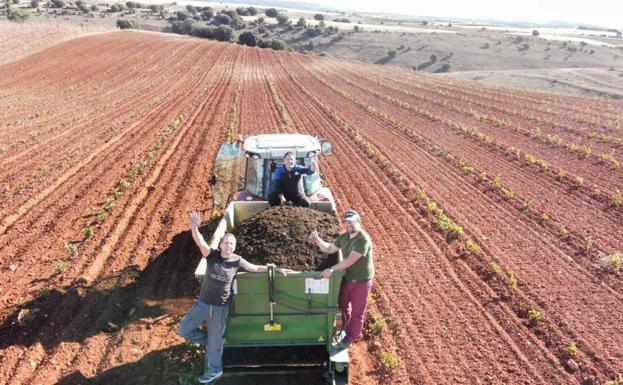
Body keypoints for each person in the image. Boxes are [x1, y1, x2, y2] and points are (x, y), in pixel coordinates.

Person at [178, 211, 291, 384]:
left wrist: (273, 269)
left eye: (232, 244)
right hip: (203, 304)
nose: (229, 246)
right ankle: (211, 343)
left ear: (234, 247)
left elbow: (254, 268)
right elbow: (200, 242)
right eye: (226, 243)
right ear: (221, 244)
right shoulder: (212, 256)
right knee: (184, 329)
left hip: (219, 308)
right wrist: (194, 227)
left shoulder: (237, 260)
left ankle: (215, 369)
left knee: (215, 343)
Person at [309, 209, 374, 350]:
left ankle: (350, 337)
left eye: (351, 222)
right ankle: (343, 327)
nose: (348, 225)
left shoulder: (363, 239)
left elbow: (350, 260)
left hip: (362, 281)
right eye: (346, 222)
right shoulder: (344, 237)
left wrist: (331, 270)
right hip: (348, 278)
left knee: (358, 312)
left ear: (358, 222)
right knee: (342, 305)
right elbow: (329, 249)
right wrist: (317, 239)